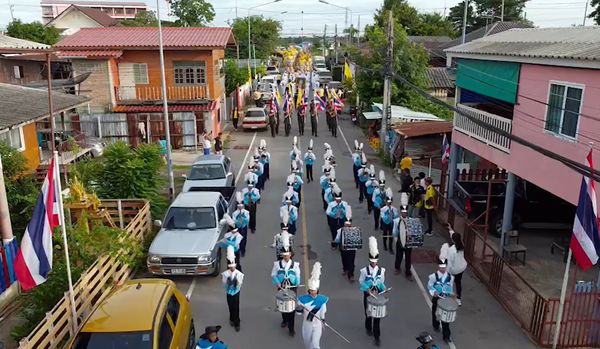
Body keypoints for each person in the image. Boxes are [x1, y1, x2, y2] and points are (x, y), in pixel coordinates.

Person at [271, 233, 301, 337]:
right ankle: (284, 320)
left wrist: (297, 283)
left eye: (288, 255)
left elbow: (298, 276)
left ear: (290, 255)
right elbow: (273, 274)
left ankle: (291, 328)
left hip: (292, 288)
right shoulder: (277, 264)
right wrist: (278, 283)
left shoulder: (295, 264)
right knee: (283, 306)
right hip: (282, 287)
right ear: (282, 255)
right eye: (284, 255)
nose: (286, 257)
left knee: (291, 308)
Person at [359, 237, 386, 346]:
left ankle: (377, 337)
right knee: (368, 314)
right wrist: (367, 289)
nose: (374, 263)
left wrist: (383, 289)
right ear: (369, 260)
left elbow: (382, 282)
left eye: (375, 262)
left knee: (377, 316)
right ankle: (368, 327)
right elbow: (361, 282)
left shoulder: (382, 270)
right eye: (372, 261)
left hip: (378, 296)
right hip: (368, 294)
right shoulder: (364, 271)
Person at [298, 262, 328, 349]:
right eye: (311, 290)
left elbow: (323, 311)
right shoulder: (303, 299)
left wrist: (322, 319)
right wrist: (299, 308)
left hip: (317, 324)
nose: (313, 292)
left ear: (317, 290)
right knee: (308, 344)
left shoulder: (322, 300)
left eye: (314, 290)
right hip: (307, 323)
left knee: (315, 344)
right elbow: (299, 313)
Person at [428, 261, 455, 343]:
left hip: (445, 299)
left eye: (444, 268)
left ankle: (446, 336)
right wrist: (433, 292)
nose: (443, 269)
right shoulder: (433, 276)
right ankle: (435, 325)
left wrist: (451, 294)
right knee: (435, 313)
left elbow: (450, 287)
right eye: (441, 268)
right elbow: (430, 286)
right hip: (437, 298)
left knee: (445, 318)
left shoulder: (450, 277)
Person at [222, 246, 244, 331]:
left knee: (236, 306)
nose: (231, 268)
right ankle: (231, 318)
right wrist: (228, 284)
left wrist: (235, 284)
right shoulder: (225, 274)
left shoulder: (239, 273)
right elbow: (224, 282)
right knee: (230, 305)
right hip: (228, 291)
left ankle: (237, 322)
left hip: (236, 291)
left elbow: (240, 283)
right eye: (230, 267)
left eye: (233, 267)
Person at [445, 225, 467, 306]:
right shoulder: (461, 245)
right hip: (462, 267)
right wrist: (451, 230)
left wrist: (447, 273)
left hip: (454, 269)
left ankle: (449, 296)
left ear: (453, 240)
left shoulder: (451, 250)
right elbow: (454, 237)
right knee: (458, 283)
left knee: (449, 282)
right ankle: (458, 299)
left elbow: (450, 264)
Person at [334, 206, 358, 282]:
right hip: (343, 247)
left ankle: (351, 274)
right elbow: (337, 239)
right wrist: (336, 242)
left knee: (351, 261)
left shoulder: (355, 230)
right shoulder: (340, 230)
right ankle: (345, 268)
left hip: (351, 248)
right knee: (344, 259)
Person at [393, 205, 413, 280]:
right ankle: (397, 268)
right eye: (403, 212)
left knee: (408, 257)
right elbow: (394, 232)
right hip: (400, 240)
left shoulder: (411, 221)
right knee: (399, 255)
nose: (404, 214)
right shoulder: (396, 221)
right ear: (400, 212)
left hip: (408, 241)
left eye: (405, 212)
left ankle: (408, 272)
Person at [326, 184, 349, 249]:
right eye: (337, 198)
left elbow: (348, 212)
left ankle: (341, 245)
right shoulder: (331, 204)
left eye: (339, 198)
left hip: (342, 219)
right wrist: (334, 214)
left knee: (342, 232)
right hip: (334, 219)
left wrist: (343, 211)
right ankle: (334, 245)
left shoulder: (344, 203)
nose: (338, 200)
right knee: (334, 232)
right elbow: (327, 211)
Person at [379, 188, 398, 254]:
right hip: (385, 223)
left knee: (391, 235)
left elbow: (396, 216)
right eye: (388, 201)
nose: (389, 203)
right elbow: (383, 217)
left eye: (390, 202)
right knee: (385, 234)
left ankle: (390, 247)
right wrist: (388, 214)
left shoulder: (394, 209)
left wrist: (393, 215)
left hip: (391, 223)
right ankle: (384, 245)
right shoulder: (383, 209)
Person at [232, 192, 250, 256]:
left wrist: (243, 218)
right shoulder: (234, 213)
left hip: (244, 226)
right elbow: (234, 220)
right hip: (238, 227)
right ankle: (238, 250)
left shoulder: (246, 212)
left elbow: (247, 220)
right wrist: (238, 220)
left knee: (244, 238)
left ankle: (243, 250)